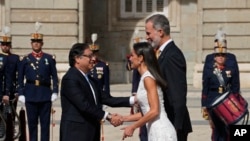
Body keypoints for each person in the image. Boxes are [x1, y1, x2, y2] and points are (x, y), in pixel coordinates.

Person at [59, 43, 135, 141]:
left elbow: (107, 99)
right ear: (77, 58)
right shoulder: (70, 78)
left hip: (91, 131)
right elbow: (84, 105)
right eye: (89, 56)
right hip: (75, 133)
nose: (94, 59)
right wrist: (109, 116)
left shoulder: (90, 80)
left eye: (93, 56)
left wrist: (135, 100)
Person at [145, 14, 192, 141]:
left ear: (160, 32)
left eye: (148, 33)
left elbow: (178, 94)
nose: (147, 37)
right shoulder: (162, 53)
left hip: (173, 122)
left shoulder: (172, 55)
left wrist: (176, 127)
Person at [121, 42, 177, 141]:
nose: (130, 58)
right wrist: (123, 118)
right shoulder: (145, 77)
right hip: (154, 129)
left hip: (160, 130)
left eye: (132, 55)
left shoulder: (148, 78)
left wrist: (133, 127)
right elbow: (147, 111)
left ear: (141, 58)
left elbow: (154, 111)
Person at [17, 22, 59, 141]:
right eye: (34, 42)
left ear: (42, 43)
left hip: (45, 94)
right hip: (30, 94)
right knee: (32, 124)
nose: (36, 44)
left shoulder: (49, 59)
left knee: (45, 125)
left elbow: (55, 77)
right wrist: (21, 93)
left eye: (38, 42)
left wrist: (55, 91)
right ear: (31, 43)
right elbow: (20, 78)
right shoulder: (25, 59)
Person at [201, 28, 240, 141]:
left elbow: (235, 85)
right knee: (215, 129)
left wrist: (236, 103)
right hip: (213, 101)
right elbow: (205, 86)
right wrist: (204, 105)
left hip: (227, 100)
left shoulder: (231, 61)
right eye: (218, 54)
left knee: (228, 127)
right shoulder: (209, 62)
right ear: (214, 56)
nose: (220, 56)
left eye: (222, 54)